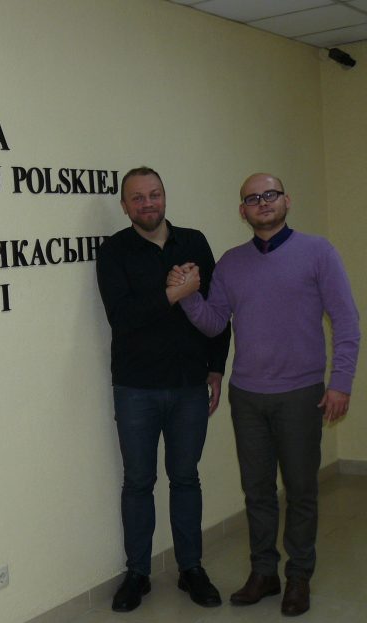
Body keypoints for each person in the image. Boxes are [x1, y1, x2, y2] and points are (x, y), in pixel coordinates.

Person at [166, 173, 360, 617]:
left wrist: (341, 383)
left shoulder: (318, 252)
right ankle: (264, 572)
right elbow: (215, 323)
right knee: (257, 491)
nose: (262, 202)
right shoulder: (231, 263)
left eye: (270, 194)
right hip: (248, 396)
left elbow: (347, 322)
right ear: (243, 211)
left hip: (302, 394)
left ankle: (299, 576)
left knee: (301, 490)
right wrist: (189, 297)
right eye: (252, 198)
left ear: (287, 200)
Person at [96, 166, 230, 613]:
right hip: (135, 387)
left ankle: (191, 568)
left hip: (190, 384)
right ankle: (138, 573)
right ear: (125, 206)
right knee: (138, 482)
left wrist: (216, 367)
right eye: (137, 198)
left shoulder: (194, 242)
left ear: (164, 196)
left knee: (186, 478)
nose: (147, 203)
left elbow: (218, 309)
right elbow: (122, 318)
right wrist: (173, 294)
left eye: (154, 194)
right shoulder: (114, 251)